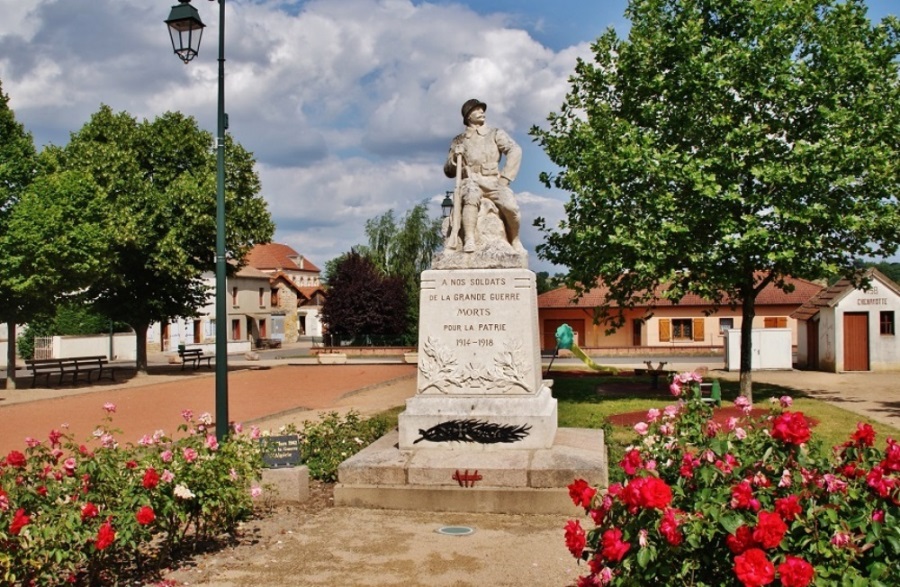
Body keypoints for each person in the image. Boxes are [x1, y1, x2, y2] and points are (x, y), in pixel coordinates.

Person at [444, 99, 525, 253]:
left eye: (483, 109)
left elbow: (515, 150)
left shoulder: (495, 133)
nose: (482, 112)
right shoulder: (459, 140)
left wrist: (505, 178)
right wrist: (455, 157)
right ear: (468, 116)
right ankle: (469, 239)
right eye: (477, 110)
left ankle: (515, 239)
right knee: (470, 195)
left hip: (493, 181)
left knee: (511, 207)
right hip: (471, 181)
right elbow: (448, 170)